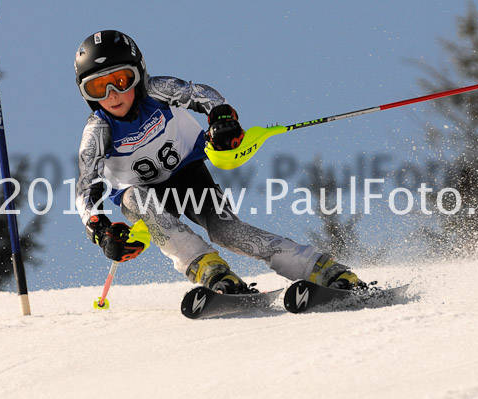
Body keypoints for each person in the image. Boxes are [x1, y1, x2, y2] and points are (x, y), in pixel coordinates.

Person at [74, 30, 361, 294]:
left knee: (226, 231)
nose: (112, 94)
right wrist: (101, 231)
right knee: (135, 199)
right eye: (99, 87)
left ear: (139, 74)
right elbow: (86, 189)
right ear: (87, 94)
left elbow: (205, 96)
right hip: (143, 194)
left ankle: (321, 269)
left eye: (121, 80)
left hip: (190, 177)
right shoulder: (98, 132)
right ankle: (211, 270)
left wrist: (222, 120)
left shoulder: (157, 90)